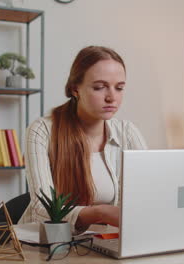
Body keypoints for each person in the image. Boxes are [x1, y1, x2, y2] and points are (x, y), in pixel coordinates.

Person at [19, 46, 147, 234]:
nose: (112, 97)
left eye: (119, 88)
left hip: (104, 240)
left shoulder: (127, 132)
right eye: (99, 87)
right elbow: (41, 208)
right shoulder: (42, 131)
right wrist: (100, 213)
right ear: (75, 89)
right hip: (45, 243)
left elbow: (149, 191)